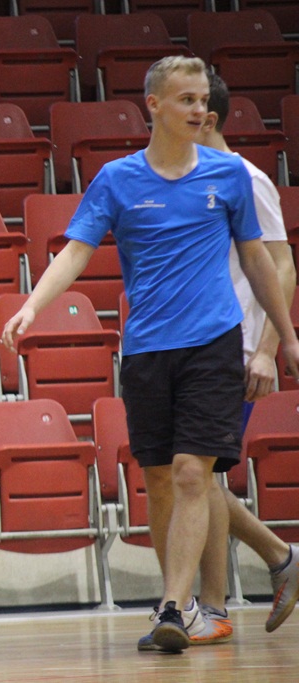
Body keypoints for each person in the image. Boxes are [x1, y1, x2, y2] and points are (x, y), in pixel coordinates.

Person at [0, 55, 299, 654]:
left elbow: (262, 261)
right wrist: (34, 305)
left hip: (213, 345)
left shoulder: (229, 175)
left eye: (202, 101)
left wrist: (284, 337)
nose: (199, 109)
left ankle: (172, 606)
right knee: (159, 481)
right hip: (145, 350)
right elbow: (77, 251)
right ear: (154, 106)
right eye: (185, 99)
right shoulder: (116, 178)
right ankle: (186, 601)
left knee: (195, 473)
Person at [182, 72, 298, 646]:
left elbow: (283, 266)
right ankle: (280, 557)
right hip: (200, 347)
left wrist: (267, 349)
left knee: (198, 475)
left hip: (237, 348)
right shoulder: (195, 180)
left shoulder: (247, 181)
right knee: (196, 475)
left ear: (208, 118)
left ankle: (215, 607)